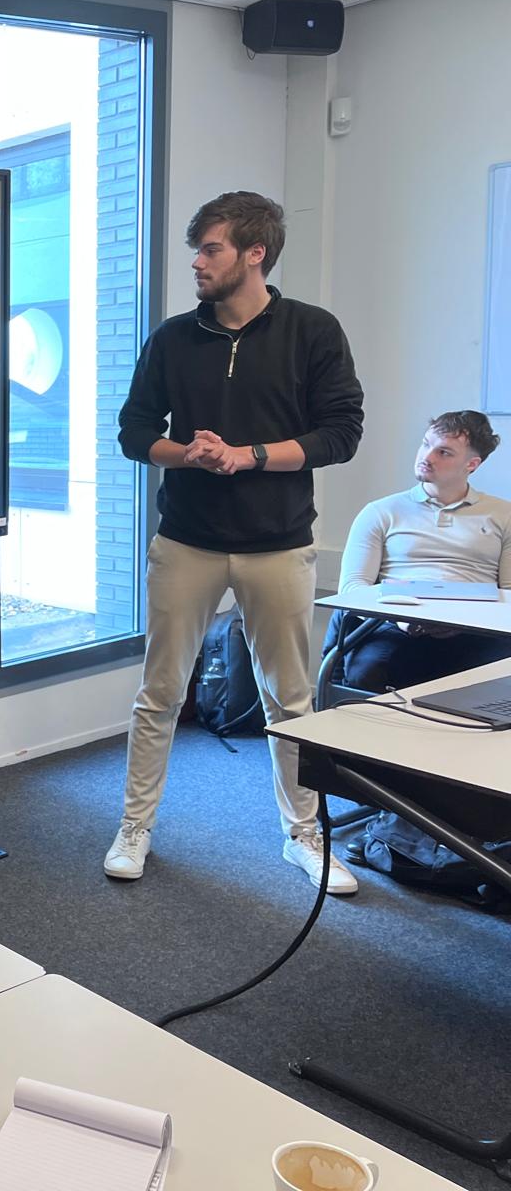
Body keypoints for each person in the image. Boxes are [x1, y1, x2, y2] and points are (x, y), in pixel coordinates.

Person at [104, 191, 365, 892]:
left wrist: (248, 455)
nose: (197, 261)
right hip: (186, 541)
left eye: (210, 248)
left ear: (255, 253)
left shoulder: (312, 331)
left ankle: (304, 835)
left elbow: (340, 435)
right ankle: (135, 828)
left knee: (291, 700)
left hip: (278, 545)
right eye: (198, 249)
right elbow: (133, 431)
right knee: (159, 695)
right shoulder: (172, 338)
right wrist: (186, 453)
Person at [327, 410, 511, 692]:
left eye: (444, 452)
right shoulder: (381, 511)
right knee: (366, 672)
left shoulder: (503, 515)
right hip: (392, 625)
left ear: (472, 464)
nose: (427, 457)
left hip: (476, 631)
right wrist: (399, 620)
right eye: (425, 444)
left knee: (496, 681)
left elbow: (509, 592)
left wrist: (464, 622)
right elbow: (352, 587)